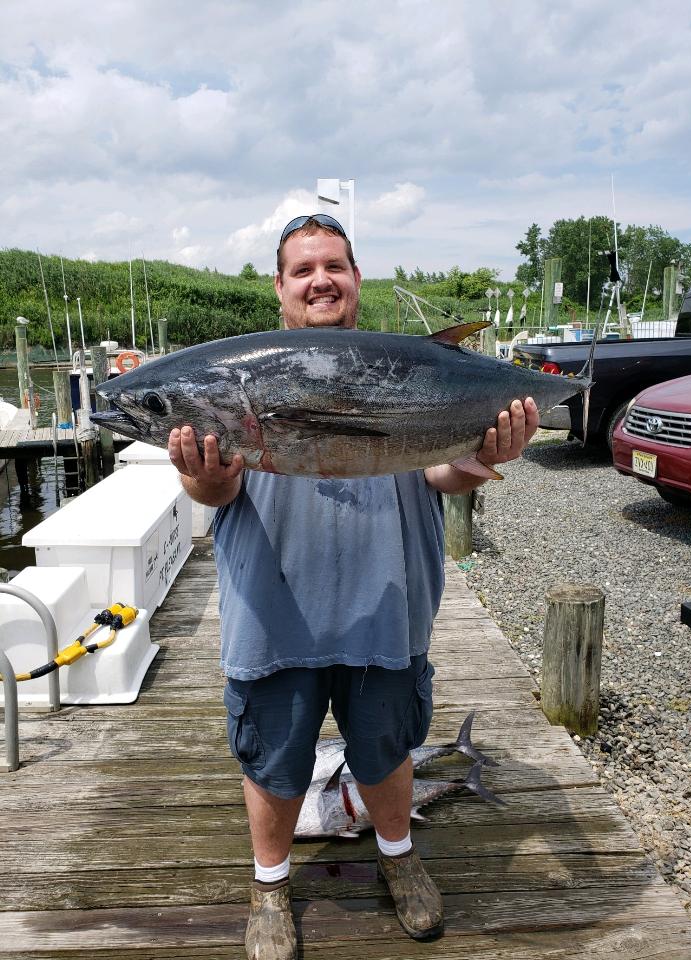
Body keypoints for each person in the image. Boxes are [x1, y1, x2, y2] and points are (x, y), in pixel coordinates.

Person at [168, 215, 539, 960]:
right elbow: (214, 493)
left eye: (333, 265)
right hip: (274, 615)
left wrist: (489, 451)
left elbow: (441, 471)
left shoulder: (402, 368)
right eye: (303, 269)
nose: (321, 280)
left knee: (386, 749)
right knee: (272, 760)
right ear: (280, 287)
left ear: (356, 278)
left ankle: (399, 859)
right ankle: (269, 886)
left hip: (384, 607)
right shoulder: (241, 378)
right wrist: (200, 475)